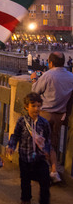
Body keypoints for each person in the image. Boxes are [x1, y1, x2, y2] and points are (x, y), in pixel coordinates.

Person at [7, 92, 52, 204]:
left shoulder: (44, 123)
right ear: (27, 107)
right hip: (24, 157)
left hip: (40, 158)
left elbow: (47, 139)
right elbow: (15, 135)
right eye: (33, 106)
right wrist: (11, 146)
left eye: (38, 106)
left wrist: (47, 150)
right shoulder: (22, 121)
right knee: (25, 181)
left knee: (45, 181)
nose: (36, 109)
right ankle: (26, 200)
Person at [31, 52, 73, 183]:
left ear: (50, 62)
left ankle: (46, 172)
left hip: (45, 114)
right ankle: (53, 171)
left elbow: (34, 92)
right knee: (52, 143)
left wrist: (33, 79)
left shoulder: (48, 75)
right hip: (60, 115)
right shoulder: (71, 76)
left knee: (40, 143)